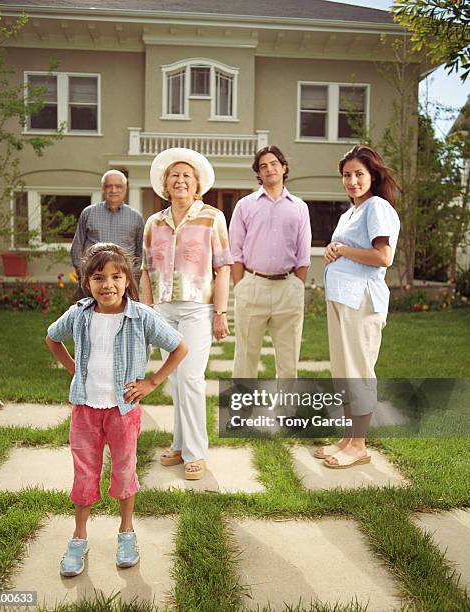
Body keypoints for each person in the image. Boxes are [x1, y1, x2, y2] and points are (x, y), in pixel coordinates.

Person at [46, 242, 187, 576]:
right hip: (85, 409)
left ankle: (126, 531)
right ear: (87, 282)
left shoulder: (141, 317)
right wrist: (75, 371)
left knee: (124, 469)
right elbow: (52, 338)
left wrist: (152, 383)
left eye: (114, 277)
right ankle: (79, 536)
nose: (107, 284)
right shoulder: (79, 314)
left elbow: (179, 347)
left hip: (123, 410)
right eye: (98, 278)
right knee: (84, 472)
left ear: (127, 280)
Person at [141, 148, 232, 480]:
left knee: (191, 377)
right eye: (174, 175)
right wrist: (147, 312)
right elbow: (146, 270)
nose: (180, 180)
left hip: (197, 309)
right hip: (163, 311)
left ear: (197, 185)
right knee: (176, 380)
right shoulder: (154, 222)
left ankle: (196, 453)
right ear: (165, 184)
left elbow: (223, 269)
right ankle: (180, 445)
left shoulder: (212, 217)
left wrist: (220, 313)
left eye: (187, 176)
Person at [315, 144, 400, 469]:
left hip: (361, 301)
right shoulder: (351, 211)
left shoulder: (377, 206)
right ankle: (348, 439)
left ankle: (359, 446)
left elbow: (383, 257)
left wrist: (343, 251)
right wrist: (334, 251)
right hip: (342, 299)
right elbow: (346, 248)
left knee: (359, 372)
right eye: (347, 175)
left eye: (359, 174)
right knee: (343, 372)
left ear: (373, 176)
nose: (352, 180)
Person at [229, 145, 311, 379]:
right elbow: (234, 250)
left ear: (284, 168)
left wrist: (297, 284)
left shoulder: (299, 207)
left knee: (288, 362)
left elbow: (304, 252)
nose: (269, 169)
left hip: (288, 288)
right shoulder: (245, 205)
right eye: (263, 166)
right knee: (245, 358)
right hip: (253, 286)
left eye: (274, 163)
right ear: (258, 173)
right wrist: (241, 284)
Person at [71, 170, 145, 291]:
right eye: (109, 186)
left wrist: (130, 278)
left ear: (125, 189)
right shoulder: (88, 213)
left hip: (124, 284)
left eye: (118, 186)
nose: (113, 190)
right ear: (102, 189)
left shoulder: (136, 217)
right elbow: (76, 248)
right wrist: (85, 276)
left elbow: (141, 253)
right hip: (93, 281)